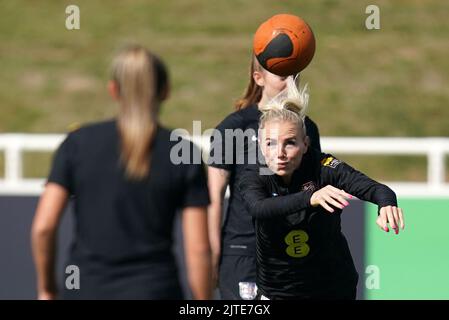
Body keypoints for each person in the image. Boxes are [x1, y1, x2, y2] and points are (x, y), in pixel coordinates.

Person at [31, 45, 212, 300]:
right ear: (166, 91)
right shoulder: (183, 152)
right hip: (155, 290)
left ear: (113, 90)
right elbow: (199, 250)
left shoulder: (77, 143)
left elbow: (43, 227)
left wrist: (47, 288)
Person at [238, 77, 405, 299]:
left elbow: (376, 189)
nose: (280, 153)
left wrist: (386, 204)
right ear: (260, 144)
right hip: (279, 291)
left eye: (290, 142)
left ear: (305, 144)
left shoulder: (322, 166)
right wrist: (310, 198)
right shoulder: (255, 172)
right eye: (271, 143)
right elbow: (258, 208)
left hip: (332, 287)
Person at [207, 56, 321, 300]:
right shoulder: (234, 126)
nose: (291, 84)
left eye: (295, 75)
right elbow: (213, 196)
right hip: (243, 252)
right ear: (259, 78)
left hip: (292, 251)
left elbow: (312, 187)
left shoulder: (306, 128)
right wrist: (213, 252)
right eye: (282, 76)